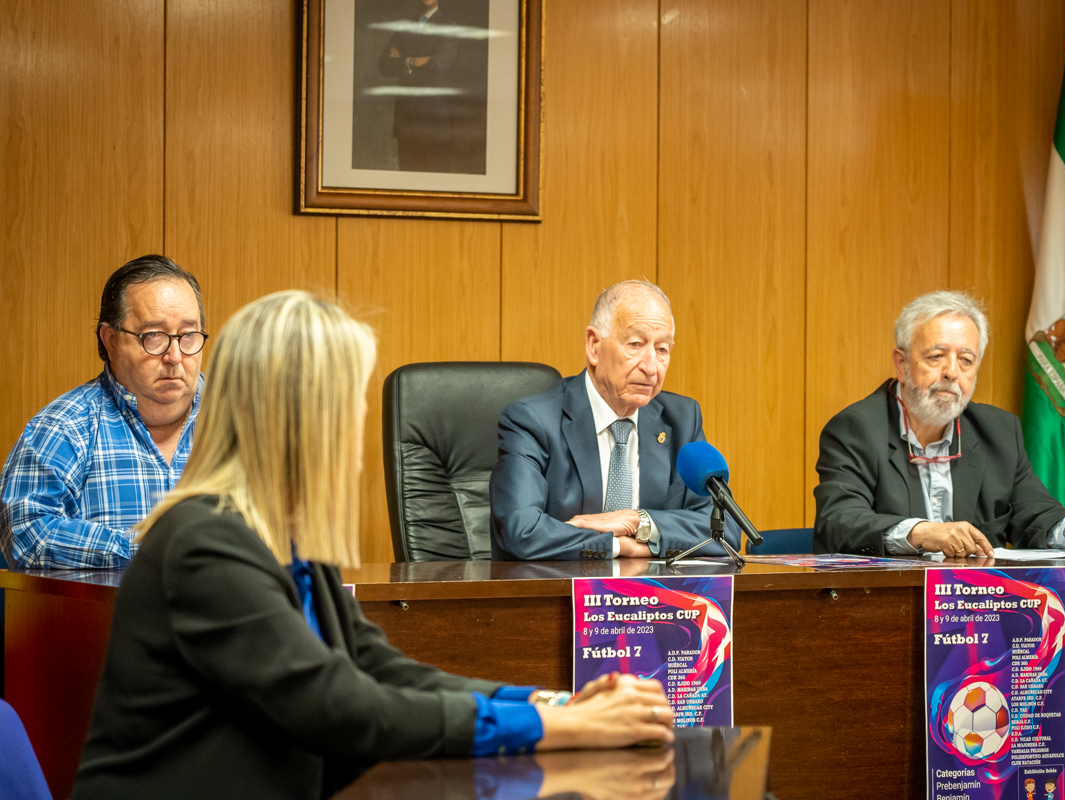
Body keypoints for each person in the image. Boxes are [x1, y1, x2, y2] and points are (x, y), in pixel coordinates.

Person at [72, 292, 675, 800]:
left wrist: (551, 702)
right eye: (349, 401)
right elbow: (339, 705)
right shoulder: (203, 544)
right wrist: (557, 727)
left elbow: (378, 667)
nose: (359, 421)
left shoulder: (283, 542)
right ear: (300, 417)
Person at [814, 291, 1065, 558]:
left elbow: (1033, 513)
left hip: (981, 598)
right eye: (936, 356)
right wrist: (921, 532)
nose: (951, 372)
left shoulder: (998, 431)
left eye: (966, 360)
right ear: (902, 364)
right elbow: (839, 520)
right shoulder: (856, 429)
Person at [490, 280, 737, 561]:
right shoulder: (532, 421)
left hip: (652, 589)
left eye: (662, 350)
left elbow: (725, 530)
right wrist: (619, 547)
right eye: (635, 344)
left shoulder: (681, 419)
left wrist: (639, 522)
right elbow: (522, 531)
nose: (651, 367)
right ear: (594, 346)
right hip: (559, 587)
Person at [0, 255, 207, 569]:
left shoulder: (243, 420)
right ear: (110, 340)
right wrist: (150, 550)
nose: (175, 356)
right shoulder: (63, 428)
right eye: (154, 336)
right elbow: (26, 535)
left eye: (188, 336)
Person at [377, 0, 460, 173]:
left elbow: (438, 65)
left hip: (433, 120)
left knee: (433, 180)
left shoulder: (448, 26)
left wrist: (402, 60)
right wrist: (411, 61)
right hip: (405, 118)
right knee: (407, 178)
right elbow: (384, 64)